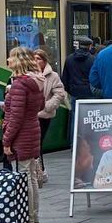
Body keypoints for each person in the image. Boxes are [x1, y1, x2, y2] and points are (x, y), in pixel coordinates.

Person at [2, 46, 45, 223]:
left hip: (22, 135)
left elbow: (16, 117)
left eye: (11, 58)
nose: (8, 61)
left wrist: (7, 141)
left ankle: (27, 218)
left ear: (18, 61)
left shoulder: (19, 85)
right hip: (33, 130)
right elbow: (39, 106)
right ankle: (33, 217)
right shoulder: (35, 82)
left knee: (25, 178)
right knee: (31, 177)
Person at [34, 49, 66, 184]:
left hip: (44, 115)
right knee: (35, 143)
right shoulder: (29, 74)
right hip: (31, 114)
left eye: (38, 59)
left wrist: (47, 106)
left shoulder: (53, 76)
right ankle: (39, 170)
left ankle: (40, 170)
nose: (36, 61)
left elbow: (59, 93)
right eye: (34, 58)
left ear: (45, 61)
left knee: (38, 142)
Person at [61, 37, 95, 142]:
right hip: (90, 93)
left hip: (75, 93)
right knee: (91, 119)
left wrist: (70, 90)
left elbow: (64, 79)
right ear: (89, 46)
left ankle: (74, 144)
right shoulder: (92, 59)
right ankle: (89, 143)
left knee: (75, 119)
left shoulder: (69, 59)